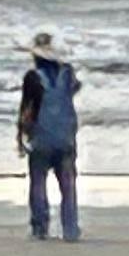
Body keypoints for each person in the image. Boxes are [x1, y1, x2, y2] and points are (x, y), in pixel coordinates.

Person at [17, 28, 82, 242]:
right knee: (68, 184)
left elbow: (27, 109)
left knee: (38, 182)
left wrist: (20, 135)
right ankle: (71, 229)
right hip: (66, 137)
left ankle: (40, 227)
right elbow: (74, 89)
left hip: (42, 137)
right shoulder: (68, 74)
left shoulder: (33, 78)